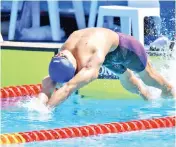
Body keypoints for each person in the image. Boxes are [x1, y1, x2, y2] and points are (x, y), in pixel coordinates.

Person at [38, 28, 176, 108]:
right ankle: (149, 99)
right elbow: (49, 81)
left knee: (150, 79)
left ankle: (170, 92)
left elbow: (68, 88)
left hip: (125, 48)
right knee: (127, 81)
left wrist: (47, 110)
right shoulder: (63, 53)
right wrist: (38, 106)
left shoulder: (91, 60)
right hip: (107, 52)